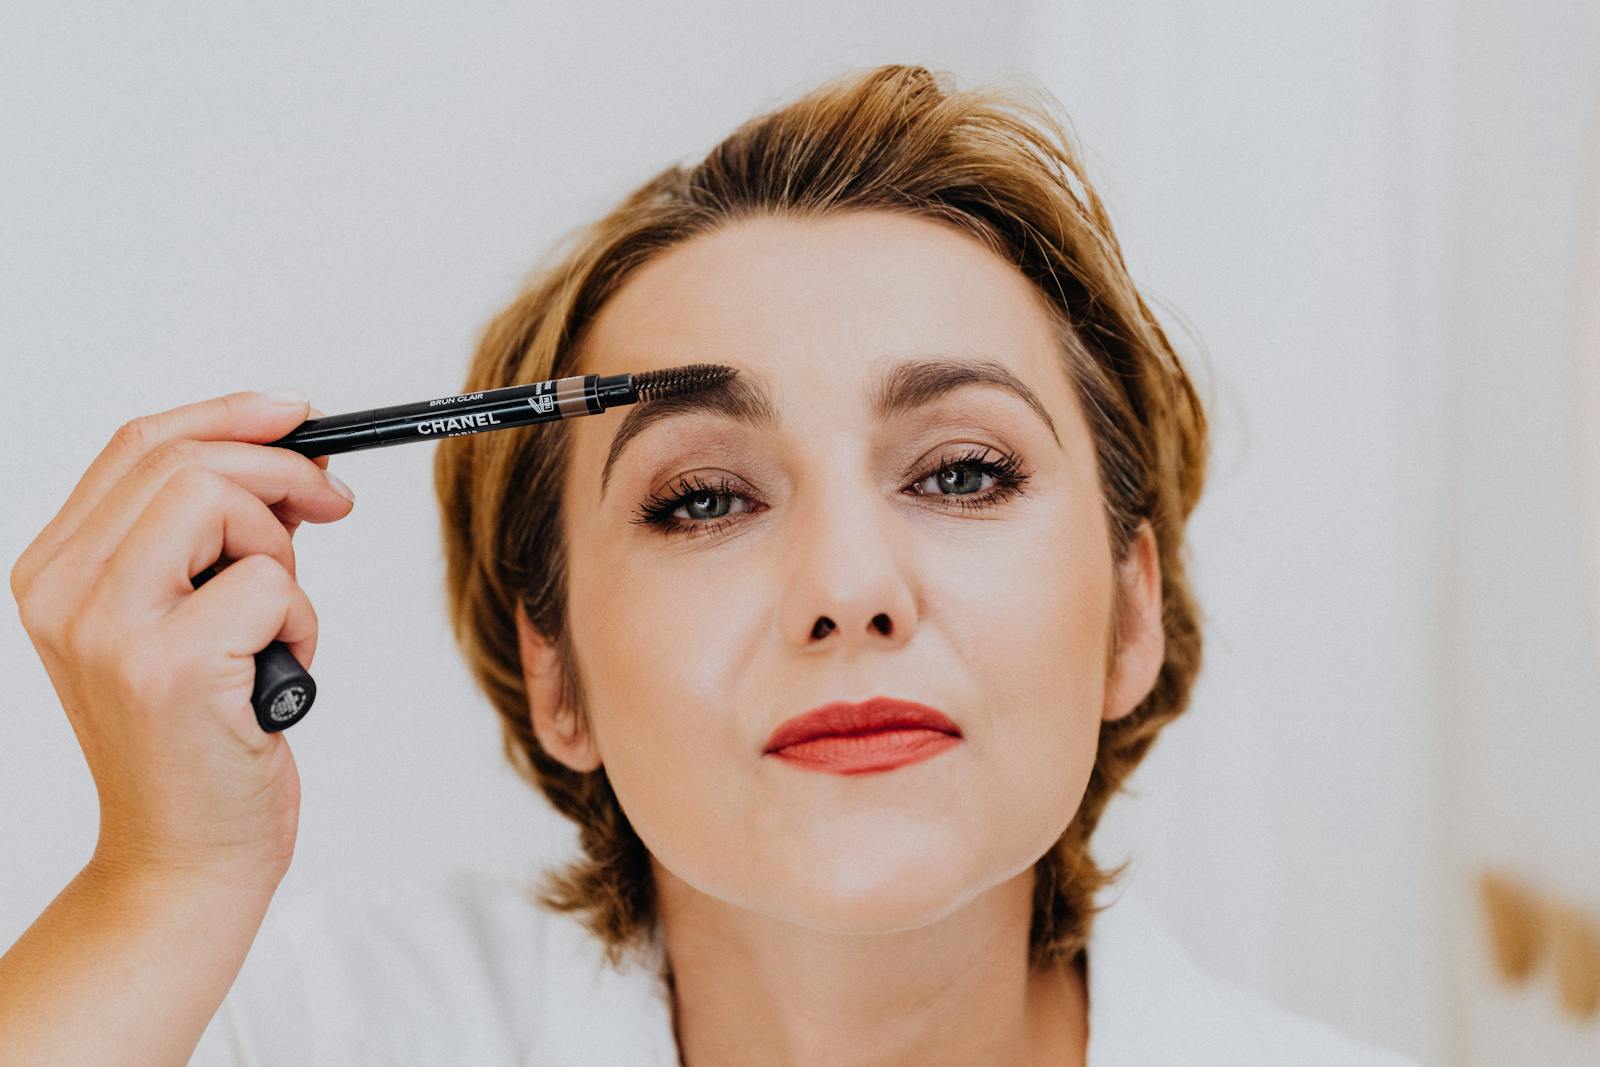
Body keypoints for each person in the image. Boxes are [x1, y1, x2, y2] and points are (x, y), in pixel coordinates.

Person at [1, 64, 1420, 1065]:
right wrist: (164, 876)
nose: (849, 588)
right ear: (554, 674)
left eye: (963, 471)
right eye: (701, 501)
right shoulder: (292, 1033)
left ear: (1129, 617)